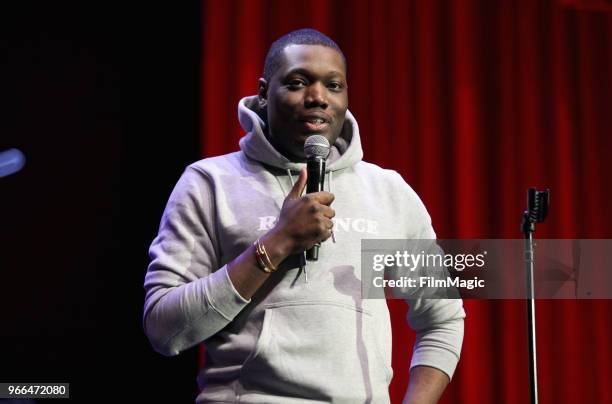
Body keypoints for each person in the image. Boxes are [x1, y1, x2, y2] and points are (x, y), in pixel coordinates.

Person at [143, 28, 465, 404]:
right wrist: (277, 242)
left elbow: (442, 319)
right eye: (298, 82)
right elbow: (164, 328)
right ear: (264, 94)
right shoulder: (210, 182)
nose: (318, 97)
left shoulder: (388, 191)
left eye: (333, 85)